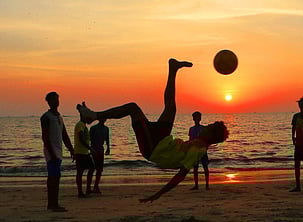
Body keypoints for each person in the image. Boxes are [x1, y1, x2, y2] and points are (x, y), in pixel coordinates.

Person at [76, 58, 229, 203]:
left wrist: (158, 194)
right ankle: (173, 69)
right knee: (171, 108)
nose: (205, 127)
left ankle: (93, 116)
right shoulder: (199, 143)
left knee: (133, 108)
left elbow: (180, 175)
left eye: (208, 127)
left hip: (153, 147)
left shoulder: (199, 150)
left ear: (211, 136)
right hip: (163, 138)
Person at [40, 91, 74, 212]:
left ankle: (54, 203)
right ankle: (52, 204)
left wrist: (71, 149)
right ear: (48, 102)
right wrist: (52, 153)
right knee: (52, 177)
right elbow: (44, 137)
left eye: (57, 99)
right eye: (53, 99)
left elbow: (64, 135)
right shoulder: (46, 117)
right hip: (51, 151)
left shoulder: (59, 117)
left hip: (59, 151)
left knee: (57, 177)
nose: (56, 101)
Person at [74, 112, 95, 197]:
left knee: (92, 167)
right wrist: (90, 148)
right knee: (80, 172)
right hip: (80, 152)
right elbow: (81, 138)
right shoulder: (80, 125)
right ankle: (80, 192)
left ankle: (87, 189)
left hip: (84, 152)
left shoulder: (83, 125)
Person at [189, 111, 210, 190]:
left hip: (202, 150)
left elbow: (207, 139)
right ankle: (196, 185)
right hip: (194, 151)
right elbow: (190, 140)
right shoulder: (191, 129)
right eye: (195, 117)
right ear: (193, 119)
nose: (197, 119)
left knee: (205, 167)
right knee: (195, 168)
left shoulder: (203, 128)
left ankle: (207, 185)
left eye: (198, 117)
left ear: (200, 118)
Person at [90, 119, 110, 194]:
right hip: (94, 148)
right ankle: (89, 187)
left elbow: (107, 139)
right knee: (92, 168)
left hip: (101, 149)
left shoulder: (106, 129)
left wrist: (108, 148)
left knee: (100, 169)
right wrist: (91, 150)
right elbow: (90, 139)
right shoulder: (93, 128)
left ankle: (96, 186)